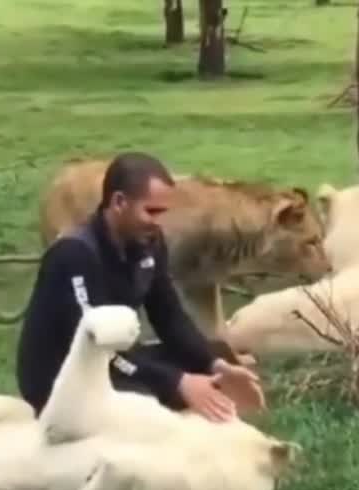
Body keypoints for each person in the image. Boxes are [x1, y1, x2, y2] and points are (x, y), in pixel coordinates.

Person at [14, 151, 264, 423]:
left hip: (111, 360)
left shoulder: (149, 244)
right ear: (119, 202)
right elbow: (96, 347)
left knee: (209, 358)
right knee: (148, 399)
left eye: (164, 212)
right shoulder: (75, 254)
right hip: (62, 377)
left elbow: (169, 317)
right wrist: (176, 382)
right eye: (151, 211)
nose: (159, 222)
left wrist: (213, 364)